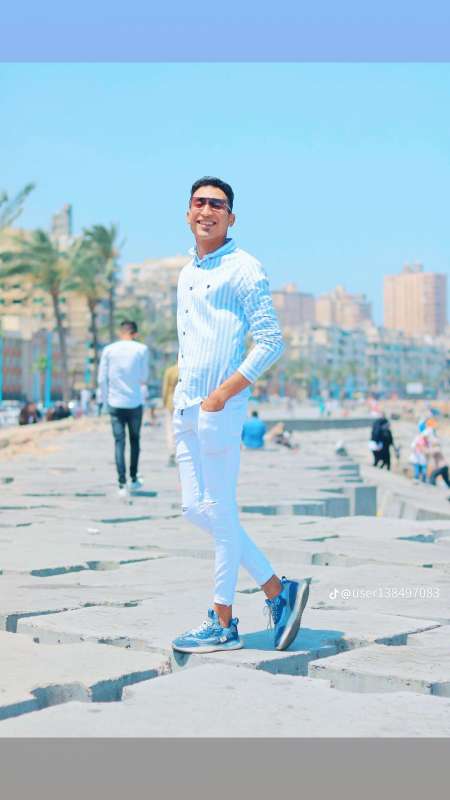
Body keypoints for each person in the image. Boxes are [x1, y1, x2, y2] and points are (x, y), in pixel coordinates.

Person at [171, 176, 310, 655]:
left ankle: (223, 621)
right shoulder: (186, 273)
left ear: (231, 218)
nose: (207, 210)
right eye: (199, 202)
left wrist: (221, 395)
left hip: (219, 408)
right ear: (188, 213)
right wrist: (183, 398)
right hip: (185, 406)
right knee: (196, 509)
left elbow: (271, 342)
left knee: (221, 510)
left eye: (218, 205)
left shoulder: (245, 268)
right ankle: (277, 590)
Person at [97, 320, 149, 499]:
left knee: (119, 442)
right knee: (135, 441)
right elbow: (144, 377)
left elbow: (101, 379)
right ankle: (133, 478)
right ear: (135, 333)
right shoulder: (141, 349)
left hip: (115, 402)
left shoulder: (108, 350)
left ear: (121, 332)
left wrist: (105, 400)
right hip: (134, 402)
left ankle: (121, 483)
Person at [162, 362, 179, 466]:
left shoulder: (170, 371)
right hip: (183, 401)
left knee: (170, 429)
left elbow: (165, 389)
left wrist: (164, 402)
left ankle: (172, 453)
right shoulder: (186, 368)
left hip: (171, 401)